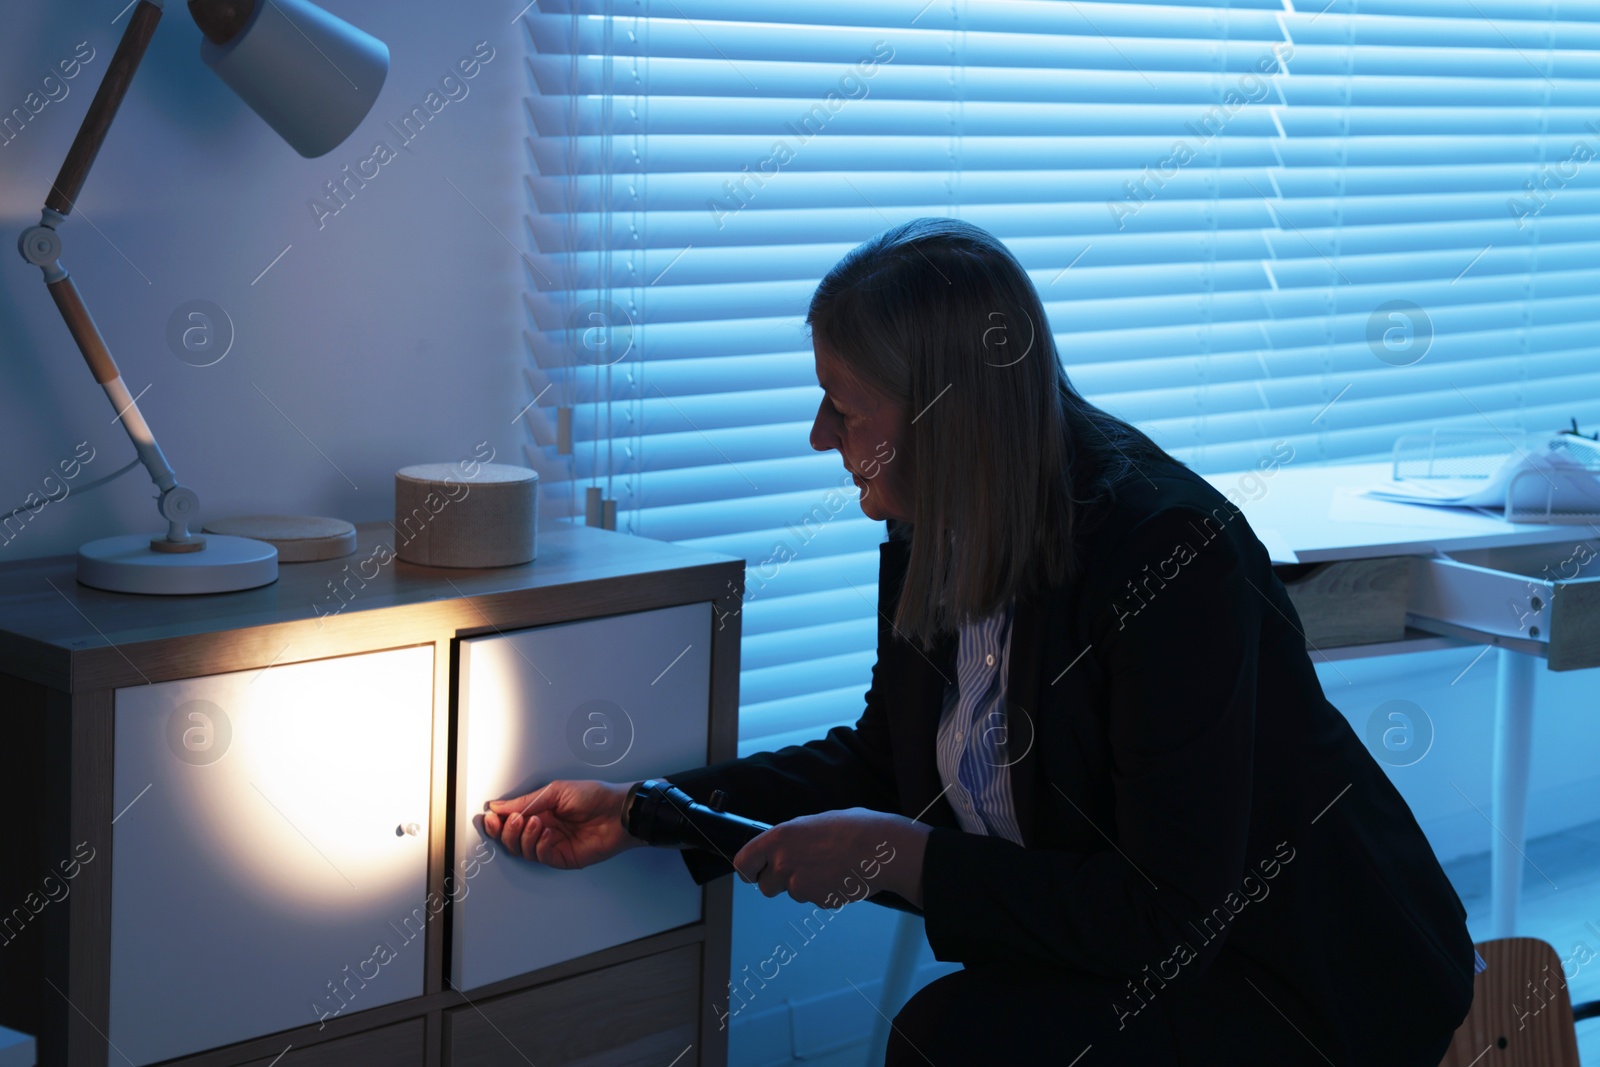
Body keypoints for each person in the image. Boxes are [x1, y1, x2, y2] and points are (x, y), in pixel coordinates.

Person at [484, 218, 1476, 1065]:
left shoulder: (1168, 555)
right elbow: (885, 758)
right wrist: (649, 811)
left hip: (1297, 975)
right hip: (1138, 956)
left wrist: (896, 856)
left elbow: (1165, 915)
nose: (817, 435)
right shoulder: (932, 519)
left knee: (947, 1038)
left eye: (843, 403)